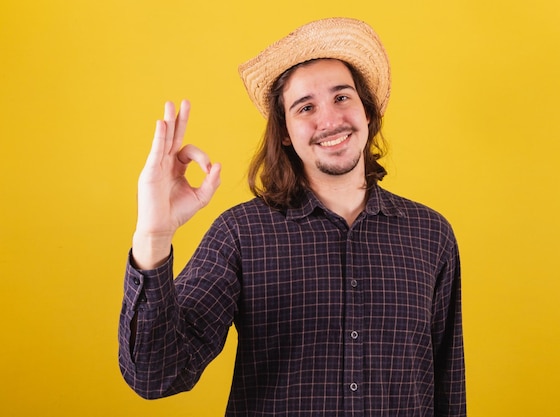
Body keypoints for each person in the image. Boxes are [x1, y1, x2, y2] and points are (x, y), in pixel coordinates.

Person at [118, 17, 466, 417]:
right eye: (305, 107)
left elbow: (448, 390)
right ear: (284, 132)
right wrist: (153, 237)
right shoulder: (240, 234)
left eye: (342, 97)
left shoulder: (431, 235)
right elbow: (156, 374)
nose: (330, 120)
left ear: (367, 111)